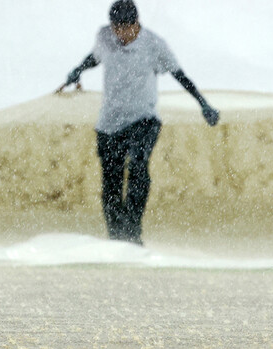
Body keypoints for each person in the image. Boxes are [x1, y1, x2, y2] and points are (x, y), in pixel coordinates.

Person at [56, 0, 219, 245]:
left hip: (143, 120)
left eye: (125, 29)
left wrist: (203, 103)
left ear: (136, 24)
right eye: (116, 29)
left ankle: (132, 233)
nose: (120, 34)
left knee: (138, 165)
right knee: (110, 180)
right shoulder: (104, 36)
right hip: (109, 124)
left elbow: (179, 75)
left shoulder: (154, 45)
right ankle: (116, 238)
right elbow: (95, 57)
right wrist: (77, 70)